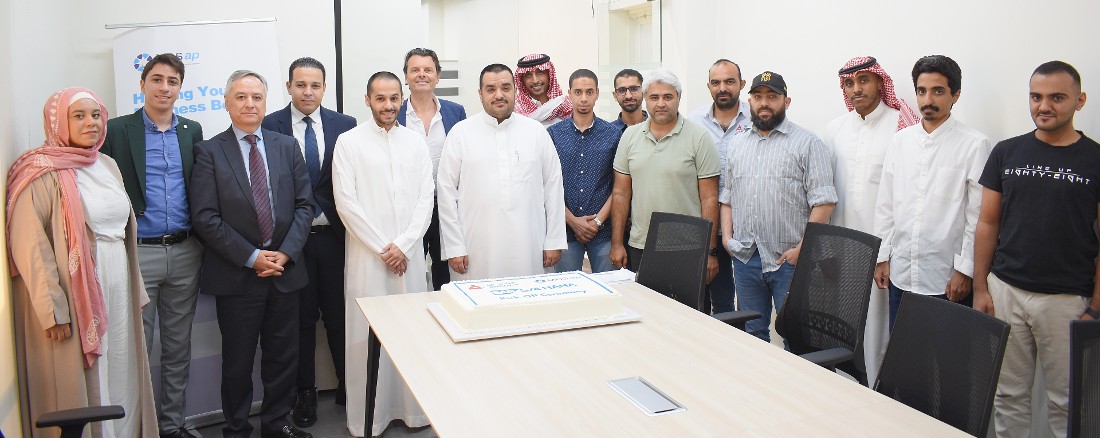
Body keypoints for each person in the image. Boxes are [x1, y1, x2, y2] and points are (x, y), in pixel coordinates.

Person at [7, 87, 158, 437]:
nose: (91, 122)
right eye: (79, 116)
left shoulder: (106, 164)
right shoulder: (39, 171)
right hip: (76, 294)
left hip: (116, 281)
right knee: (91, 375)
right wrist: (52, 309)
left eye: (95, 115)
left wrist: (136, 290)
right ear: (58, 122)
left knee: (121, 363)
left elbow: (125, 232)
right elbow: (30, 245)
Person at [972, 60, 1099, 438]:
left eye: (1057, 97)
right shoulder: (1006, 152)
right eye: (1036, 97)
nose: (1044, 106)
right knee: (1008, 395)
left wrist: (1096, 305)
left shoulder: (1095, 160)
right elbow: (987, 223)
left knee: (1068, 401)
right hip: (1006, 290)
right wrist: (982, 287)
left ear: (1080, 101)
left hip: (1066, 300)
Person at [190, 70, 314, 438]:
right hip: (238, 276)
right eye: (241, 97)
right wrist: (251, 256)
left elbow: (305, 206)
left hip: (284, 273)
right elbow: (205, 217)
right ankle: (237, 429)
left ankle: (277, 424)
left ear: (266, 102)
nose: (249, 104)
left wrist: (286, 253)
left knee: (282, 359)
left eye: (256, 97)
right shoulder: (209, 151)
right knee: (238, 364)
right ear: (227, 104)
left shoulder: (286, 146)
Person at [100, 53, 204, 438]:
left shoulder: (191, 130)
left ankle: (172, 424)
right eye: (157, 79)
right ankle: (140, 427)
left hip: (185, 250)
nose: (164, 87)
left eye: (172, 81)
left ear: (180, 87)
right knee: (137, 348)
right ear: (142, 84)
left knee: (178, 346)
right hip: (138, 252)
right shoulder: (116, 130)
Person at [333, 71, 434, 438]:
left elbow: (427, 199)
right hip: (367, 259)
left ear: (401, 98)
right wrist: (384, 249)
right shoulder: (348, 142)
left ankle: (412, 412)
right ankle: (368, 421)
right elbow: (346, 204)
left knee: (410, 335)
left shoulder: (415, 142)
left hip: (407, 258)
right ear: (367, 100)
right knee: (367, 334)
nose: (388, 106)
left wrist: (404, 245)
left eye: (394, 98)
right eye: (380, 98)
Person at [261, 56, 358, 427]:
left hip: (334, 236)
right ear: (288, 87)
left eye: (315, 85)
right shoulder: (270, 125)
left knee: (339, 316)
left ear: (324, 88)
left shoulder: (344, 125)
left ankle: (349, 387)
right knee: (300, 322)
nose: (308, 91)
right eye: (300, 85)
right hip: (290, 243)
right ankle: (304, 394)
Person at [821, 55, 918, 384]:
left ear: (880, 82)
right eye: (849, 83)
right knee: (840, 324)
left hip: (882, 251)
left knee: (879, 330)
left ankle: (878, 395)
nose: (856, 88)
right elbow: (826, 192)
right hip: (841, 247)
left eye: (864, 80)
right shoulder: (835, 129)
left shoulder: (902, 126)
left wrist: (886, 254)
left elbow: (904, 196)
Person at [720, 71, 837, 343]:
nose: (764, 103)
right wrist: (728, 240)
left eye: (772, 97)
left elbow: (824, 203)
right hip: (747, 257)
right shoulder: (737, 144)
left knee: (794, 337)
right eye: (758, 97)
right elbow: (727, 197)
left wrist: (801, 251)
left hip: (789, 261)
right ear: (749, 101)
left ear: (787, 101)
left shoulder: (808, 143)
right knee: (752, 334)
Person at [873, 55, 989, 328]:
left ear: (955, 95)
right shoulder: (900, 141)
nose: (928, 100)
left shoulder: (974, 144)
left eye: (938, 91)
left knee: (946, 363)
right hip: (901, 275)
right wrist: (881, 257)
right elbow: (886, 205)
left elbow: (977, 215)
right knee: (901, 359)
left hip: (947, 280)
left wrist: (965, 270)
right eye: (921, 91)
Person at [437, 63, 566, 280]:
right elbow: (446, 192)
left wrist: (554, 240)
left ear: (515, 90)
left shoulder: (536, 132)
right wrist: (454, 246)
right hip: (475, 248)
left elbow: (553, 187)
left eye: (506, 88)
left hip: (529, 244)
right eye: (490, 89)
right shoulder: (461, 133)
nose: (499, 95)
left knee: (529, 305)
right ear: (480, 94)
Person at [609, 69, 721, 281]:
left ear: (679, 98)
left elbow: (710, 198)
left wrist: (710, 251)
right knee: (646, 310)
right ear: (645, 99)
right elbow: (621, 193)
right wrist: (617, 243)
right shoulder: (629, 137)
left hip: (689, 246)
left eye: (668, 97)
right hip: (641, 245)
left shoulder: (698, 138)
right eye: (654, 97)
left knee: (688, 313)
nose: (661, 103)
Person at [396, 47, 467, 290]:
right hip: (410, 209)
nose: (421, 74)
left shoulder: (455, 112)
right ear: (405, 77)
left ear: (437, 76)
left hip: (447, 207)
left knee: (445, 274)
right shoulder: (395, 112)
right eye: (415, 70)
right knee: (409, 273)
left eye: (428, 70)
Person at [687, 59, 753, 314]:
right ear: (709, 86)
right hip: (710, 221)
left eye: (729, 81)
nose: (723, 88)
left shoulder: (757, 117)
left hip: (748, 221)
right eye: (716, 82)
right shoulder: (693, 122)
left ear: (742, 84)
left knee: (750, 299)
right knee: (717, 293)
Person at [547, 69, 621, 273]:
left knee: (609, 292)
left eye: (589, 92)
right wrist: (572, 220)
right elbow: (546, 185)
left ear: (597, 93)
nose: (584, 98)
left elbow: (620, 186)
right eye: (578, 92)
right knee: (566, 294)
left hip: (604, 230)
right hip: (565, 229)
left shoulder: (613, 135)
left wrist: (597, 222)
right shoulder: (553, 135)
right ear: (569, 94)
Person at [513, 53, 572, 127]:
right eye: (528, 75)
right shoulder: (516, 112)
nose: (535, 80)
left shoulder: (565, 104)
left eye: (540, 72)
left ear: (549, 75)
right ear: (522, 80)